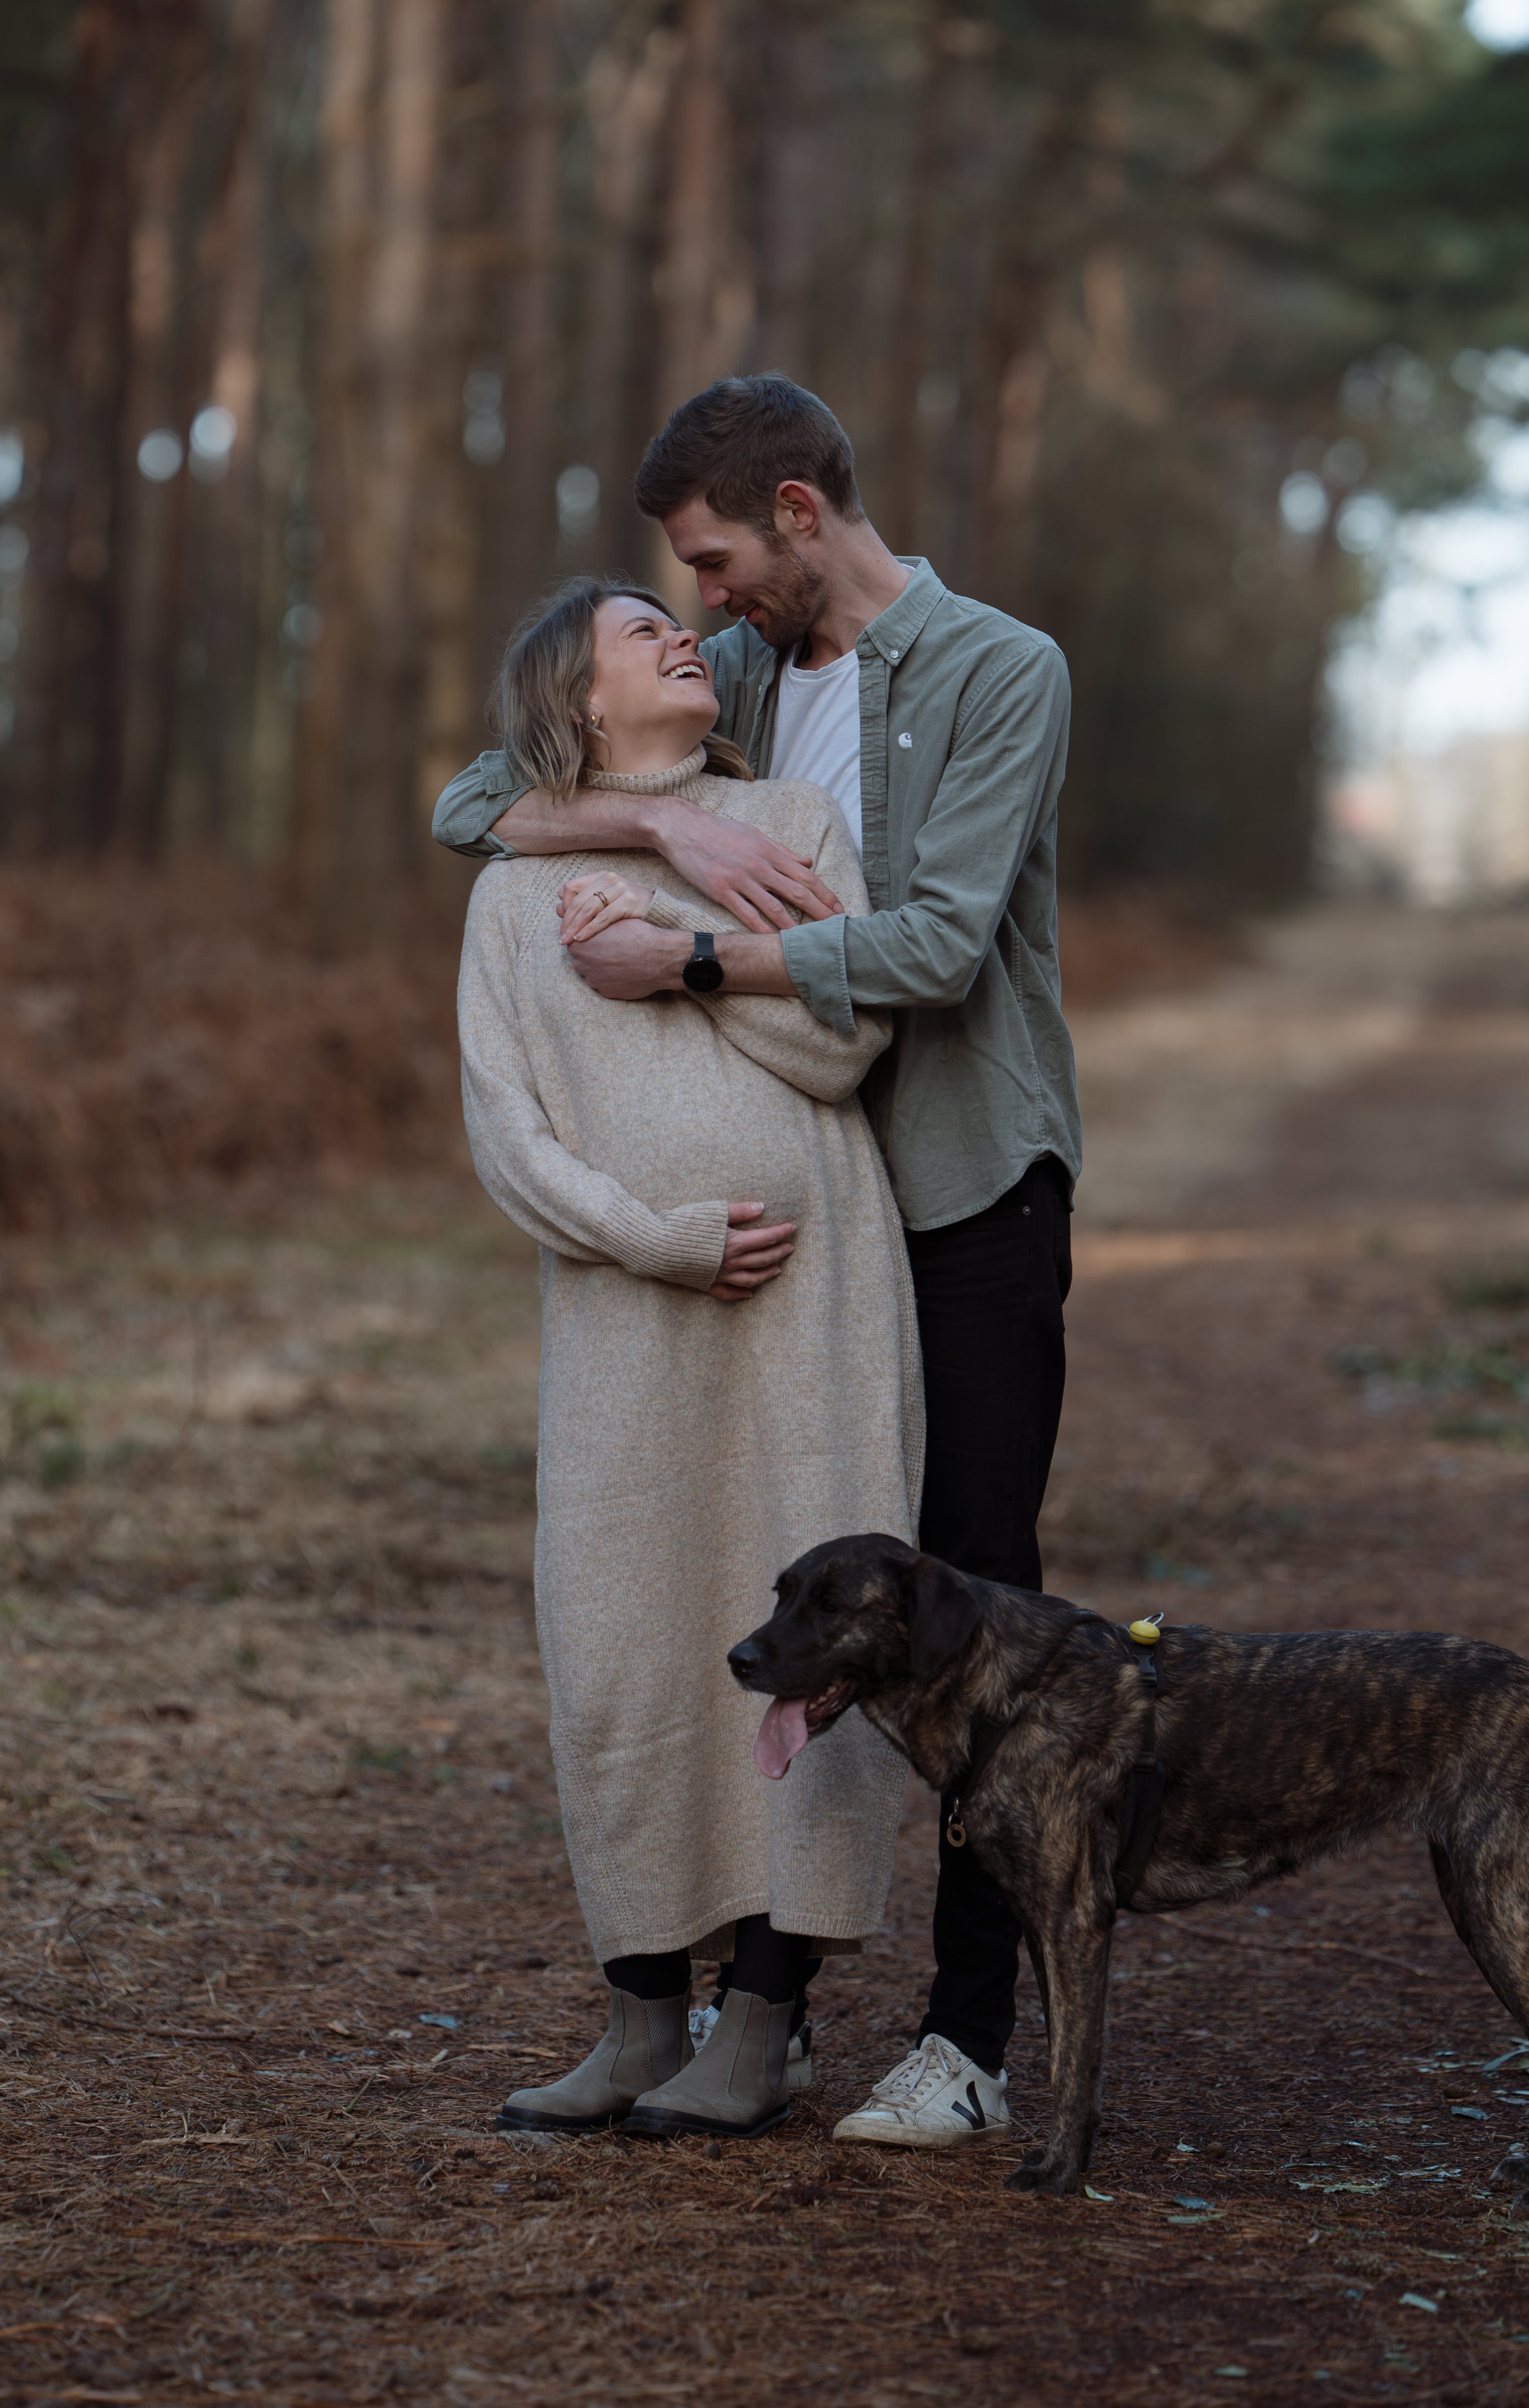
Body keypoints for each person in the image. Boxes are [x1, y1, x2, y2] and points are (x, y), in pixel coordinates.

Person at [435, 374, 1082, 2151]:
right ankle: (711, 2007)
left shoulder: (992, 668)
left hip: (956, 1191)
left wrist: (692, 958)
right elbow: (478, 794)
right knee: (727, 1607)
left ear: (796, 515)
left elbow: (935, 946)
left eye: (711, 560)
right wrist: (657, 821)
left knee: (963, 1609)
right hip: (790, 1210)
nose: (699, 602)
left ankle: (959, 2034)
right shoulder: (720, 684)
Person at [455, 573, 922, 2142]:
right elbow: (504, 1126)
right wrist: (647, 1237)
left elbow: (844, 1042)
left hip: (814, 1316)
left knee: (813, 1631)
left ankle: (767, 2016)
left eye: (683, 615)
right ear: (579, 703)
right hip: (622, 1319)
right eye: (636, 631)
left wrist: (671, 954)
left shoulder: (790, 816)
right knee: (622, 1640)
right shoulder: (513, 887)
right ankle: (641, 2015)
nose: (679, 637)